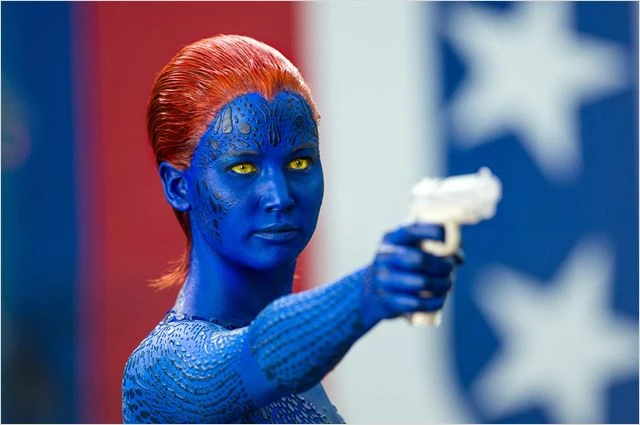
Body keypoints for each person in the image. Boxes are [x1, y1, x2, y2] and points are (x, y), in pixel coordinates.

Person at [122, 34, 460, 424]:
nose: (280, 196)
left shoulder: (302, 375)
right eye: (243, 168)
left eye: (299, 162)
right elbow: (257, 355)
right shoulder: (157, 373)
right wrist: (368, 290)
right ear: (179, 186)